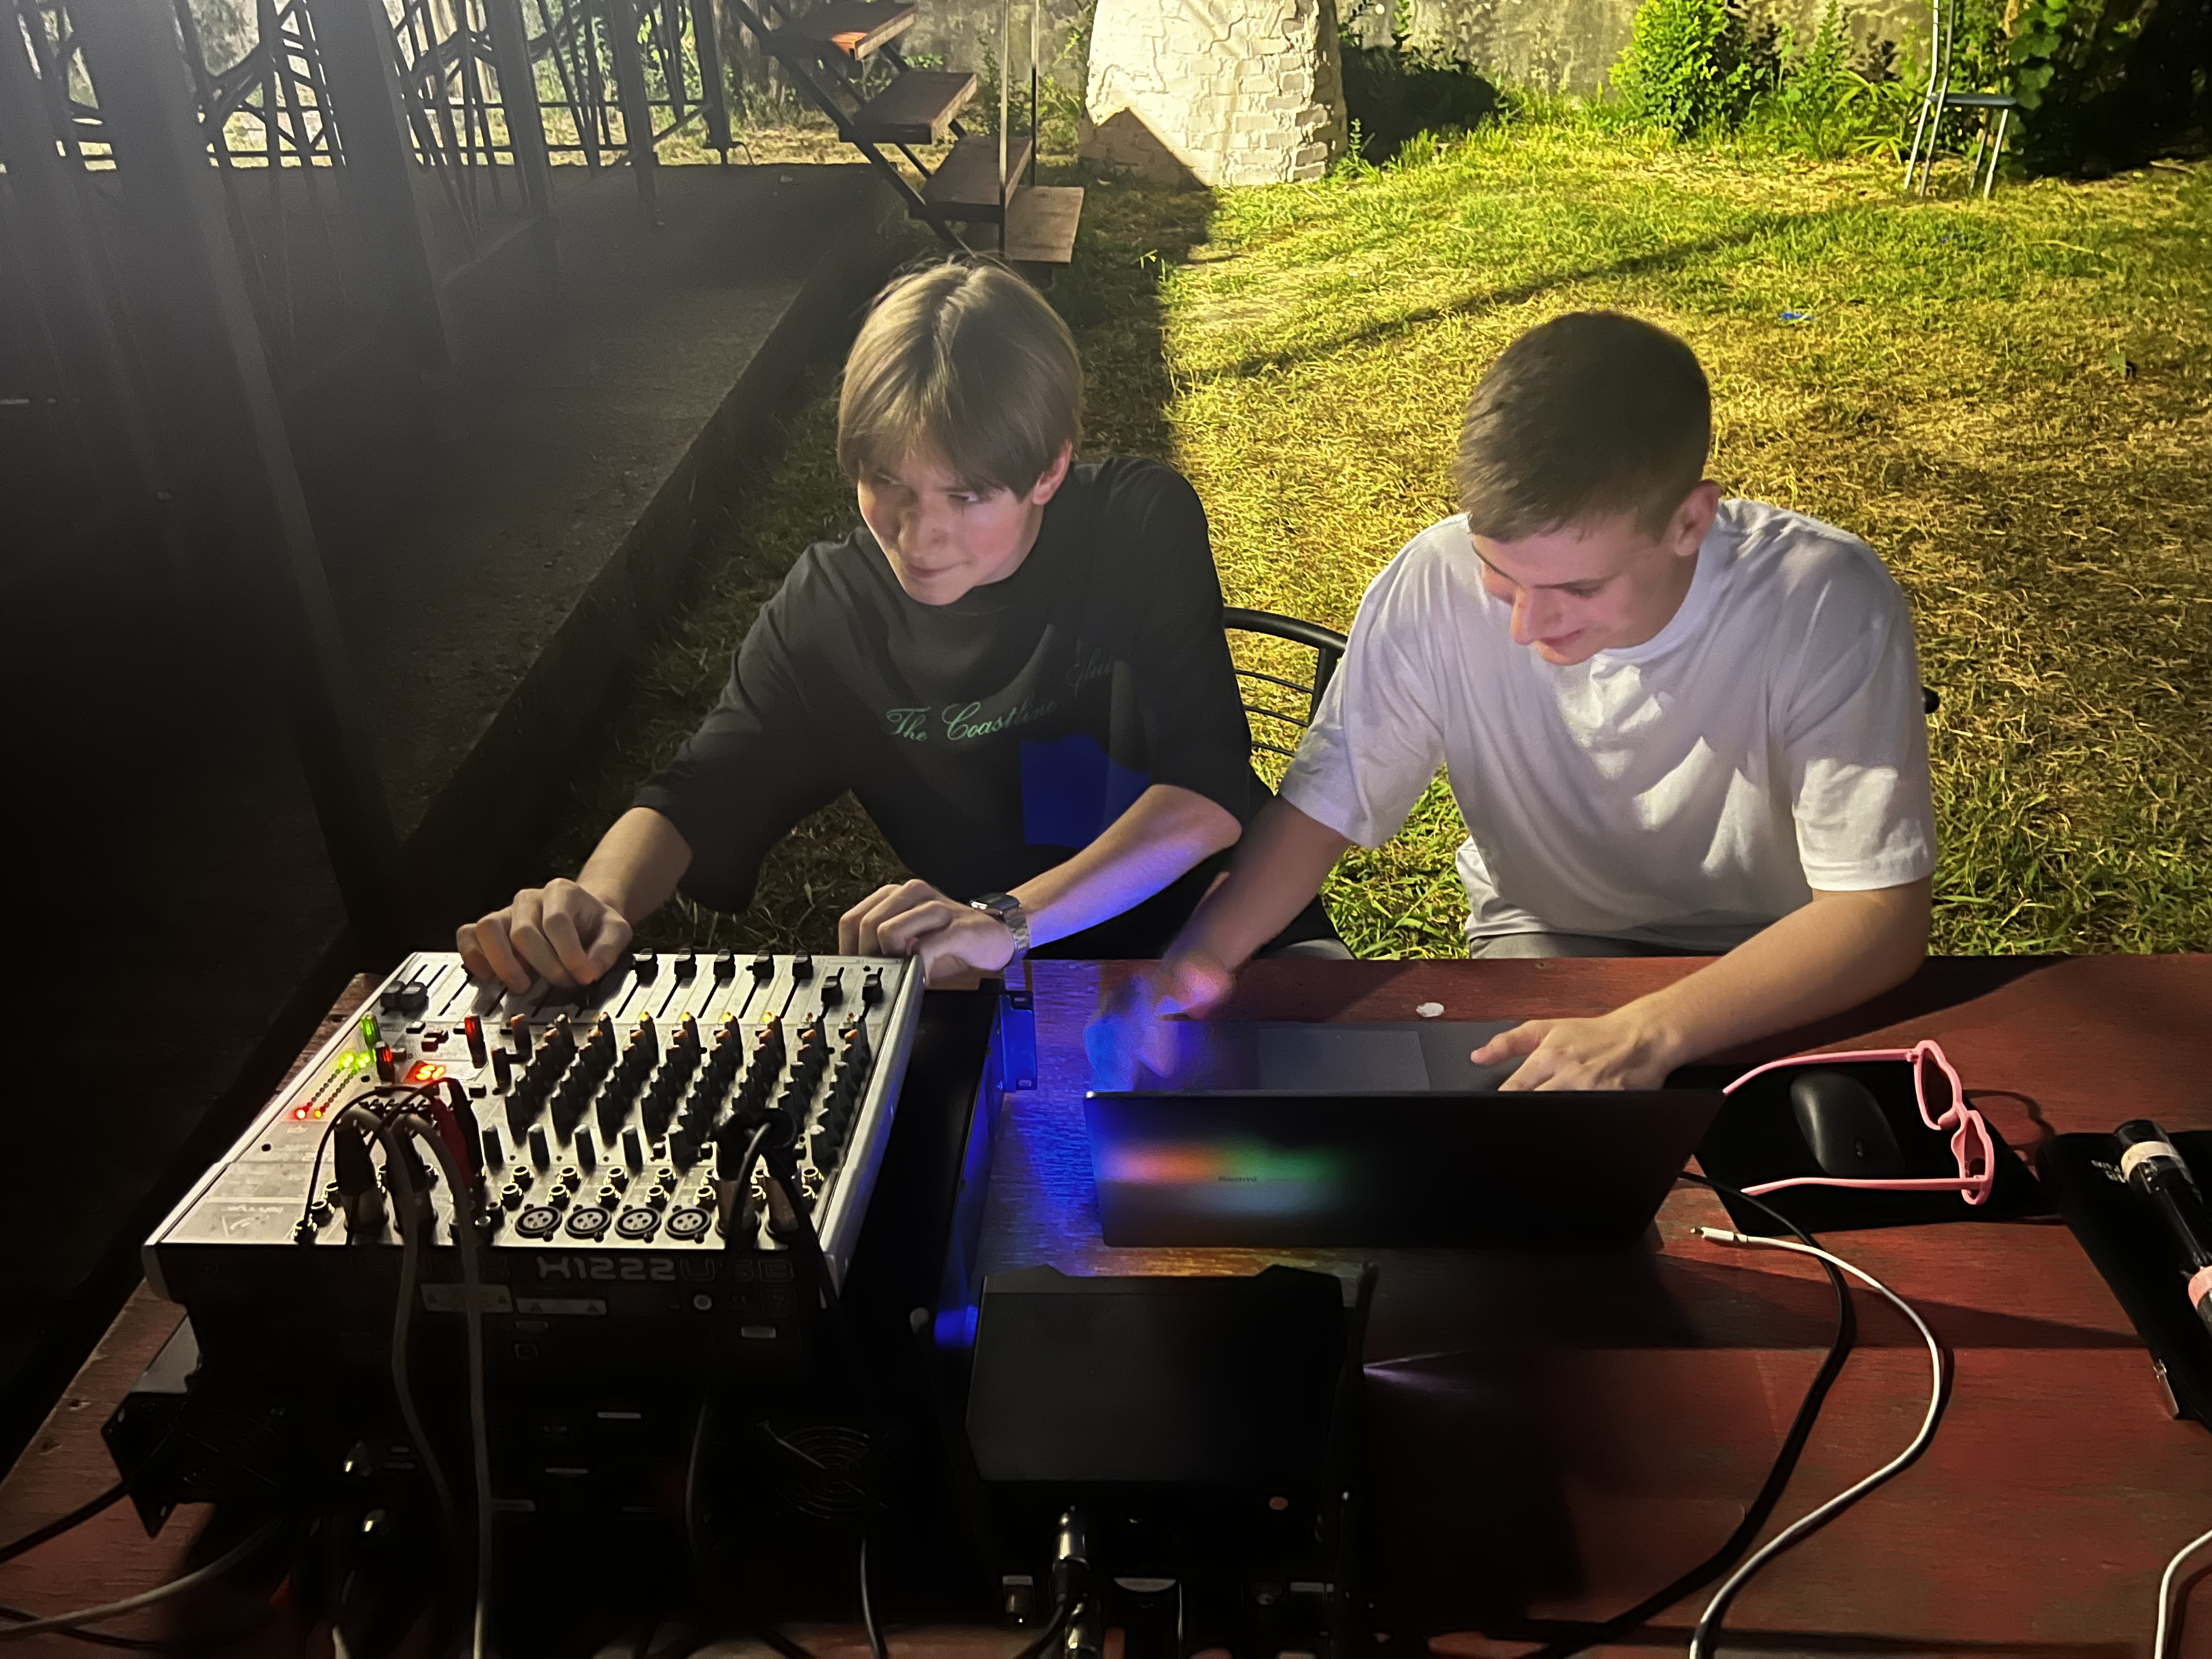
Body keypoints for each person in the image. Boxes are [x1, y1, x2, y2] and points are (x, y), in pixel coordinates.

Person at [1092, 309, 1936, 1091]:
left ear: (1690, 523)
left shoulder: (1822, 598)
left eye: (1578, 587)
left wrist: (1648, 1034)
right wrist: (1198, 957)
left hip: (1773, 952)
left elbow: (1879, 913)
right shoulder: (1435, 579)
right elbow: (1322, 808)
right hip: (1540, 938)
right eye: (1501, 575)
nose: (1530, 625)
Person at [459, 258, 1336, 993]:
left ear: (1049, 470)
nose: (918, 539)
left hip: (1233, 928)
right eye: (887, 484)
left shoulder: (1136, 522)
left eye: (967, 495)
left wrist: (1006, 920)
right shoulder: (830, 610)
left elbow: (1206, 793)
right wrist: (600, 897)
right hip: (1006, 974)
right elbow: (698, 792)